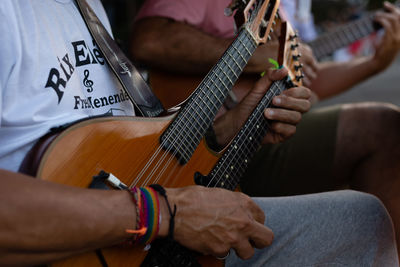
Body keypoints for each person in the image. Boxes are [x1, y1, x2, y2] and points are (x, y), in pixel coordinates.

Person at [0, 1, 398, 266]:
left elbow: (123, 149)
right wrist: (164, 213)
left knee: (362, 219)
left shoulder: (86, 10)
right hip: (74, 241)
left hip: (141, 228)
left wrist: (227, 131)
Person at [130, 0, 400, 256]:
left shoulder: (277, 11)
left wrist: (373, 64)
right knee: (381, 128)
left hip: (257, 137)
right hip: (198, 146)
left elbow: (306, 86)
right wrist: (251, 55)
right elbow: (149, 40)